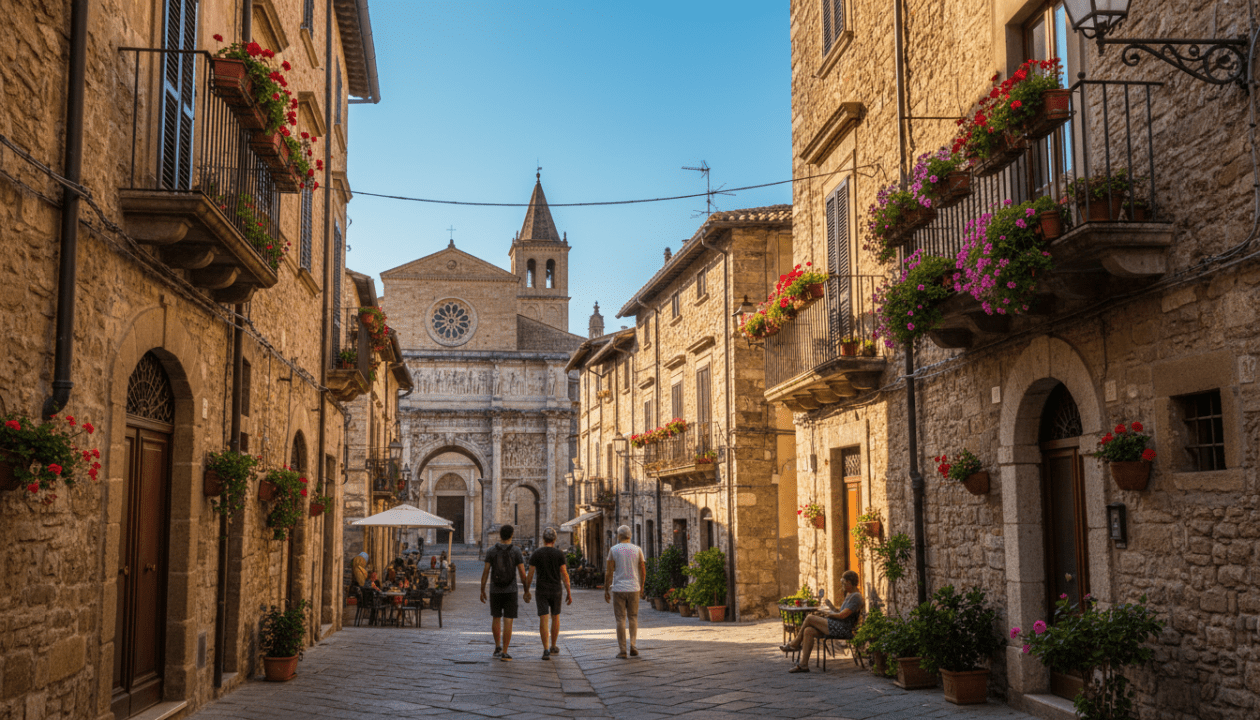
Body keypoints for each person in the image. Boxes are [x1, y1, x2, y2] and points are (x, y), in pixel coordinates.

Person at [779, 570, 864, 673]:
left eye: (843, 583)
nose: (842, 585)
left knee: (810, 618)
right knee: (808, 631)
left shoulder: (856, 597)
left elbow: (842, 616)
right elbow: (841, 612)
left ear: (849, 583)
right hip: (838, 625)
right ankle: (803, 665)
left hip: (843, 628)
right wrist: (831, 607)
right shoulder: (850, 595)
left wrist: (828, 614)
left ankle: (795, 643)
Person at [481, 524, 530, 661]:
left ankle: (497, 647)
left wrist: (482, 589)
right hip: (511, 590)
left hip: (494, 590)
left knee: (496, 618)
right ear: (511, 535)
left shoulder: (491, 551)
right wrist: (526, 590)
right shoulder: (516, 551)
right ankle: (505, 651)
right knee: (508, 620)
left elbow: (486, 572)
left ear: (500, 535)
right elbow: (521, 572)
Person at [525, 527, 573, 660]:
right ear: (555, 539)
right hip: (556, 589)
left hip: (541, 590)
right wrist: (569, 592)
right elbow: (564, 574)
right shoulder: (559, 554)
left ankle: (545, 649)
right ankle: (553, 645)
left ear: (543, 539)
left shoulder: (537, 553)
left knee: (543, 619)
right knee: (555, 617)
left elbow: (530, 574)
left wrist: (526, 590)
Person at [604, 525, 646, 659]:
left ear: (618, 536)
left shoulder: (613, 550)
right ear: (630, 536)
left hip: (618, 588)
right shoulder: (637, 549)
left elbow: (609, 571)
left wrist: (606, 588)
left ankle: (622, 650)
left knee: (620, 619)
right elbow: (643, 569)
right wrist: (642, 585)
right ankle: (633, 645)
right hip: (634, 587)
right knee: (633, 617)